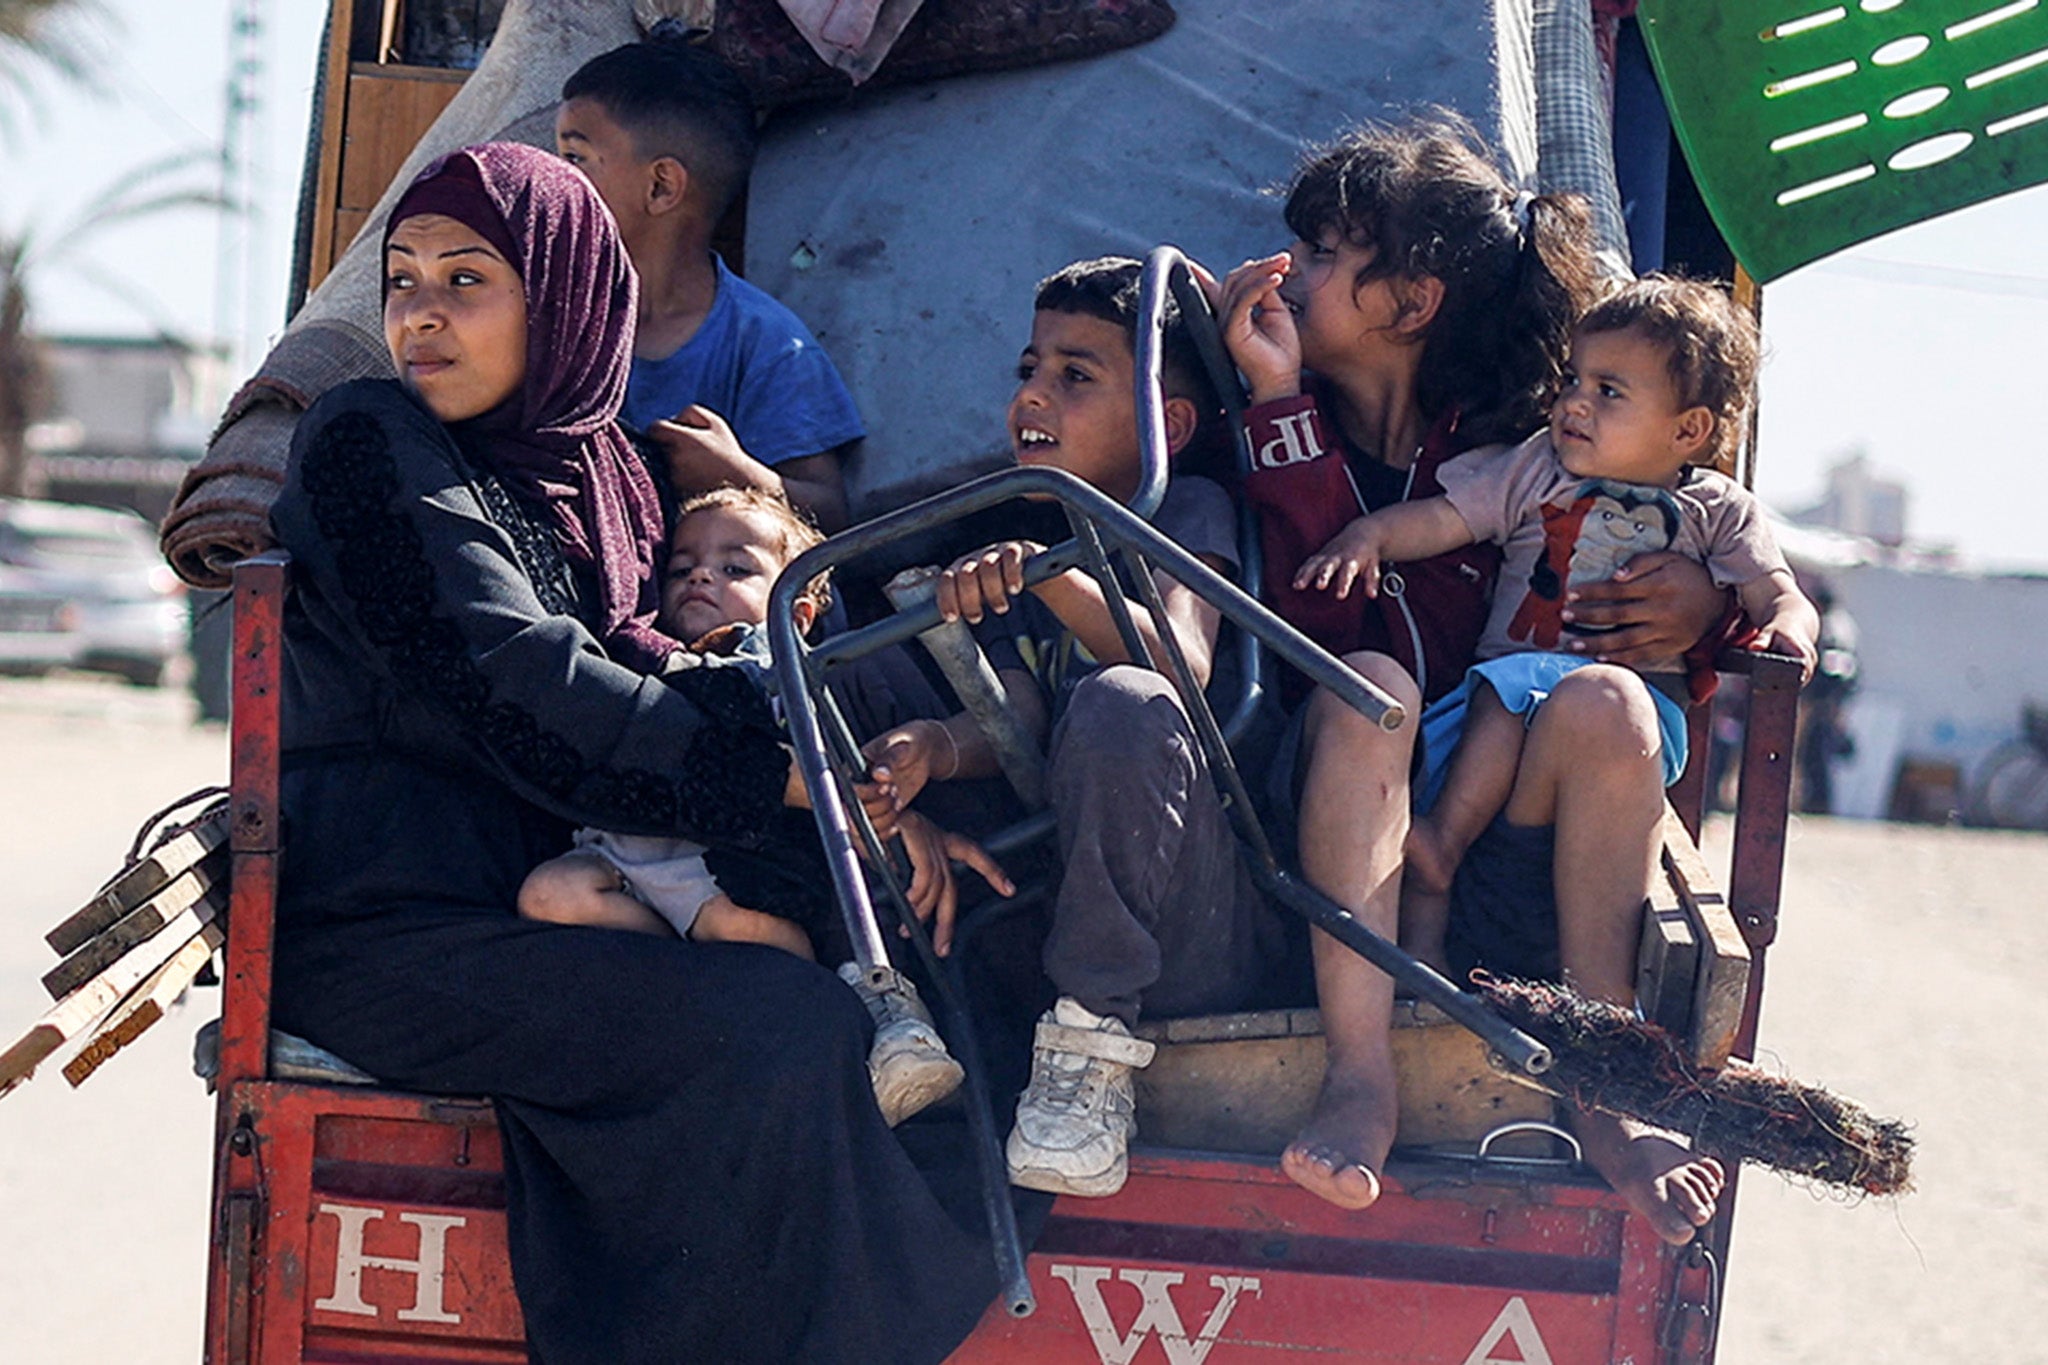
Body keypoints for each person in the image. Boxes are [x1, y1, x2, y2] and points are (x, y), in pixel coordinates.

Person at [265, 141, 1000, 1364]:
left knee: (949, 971)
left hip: (550, 894)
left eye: (465, 280)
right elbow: (525, 685)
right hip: (394, 919)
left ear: (564, 293)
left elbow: (663, 666)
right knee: (776, 1031)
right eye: (402, 280)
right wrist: (799, 782)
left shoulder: (602, 470)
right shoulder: (369, 442)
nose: (420, 315)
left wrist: (856, 793)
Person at [1215, 115, 1735, 1244]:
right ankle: (1361, 1077)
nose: (1286, 273)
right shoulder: (1249, 419)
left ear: (1410, 304)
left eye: (1319, 256)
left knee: (1600, 700)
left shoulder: (1534, 440)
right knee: (1363, 683)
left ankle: (1603, 1082)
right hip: (1339, 823)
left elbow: (1693, 558)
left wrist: (1698, 604)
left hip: (1516, 826)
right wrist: (1272, 402)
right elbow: (1317, 603)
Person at [865, 256, 1284, 1198]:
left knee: (1126, 700)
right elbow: (1020, 711)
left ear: (1168, 425)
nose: (1034, 394)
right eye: (1028, 369)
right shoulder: (1027, 532)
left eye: (1076, 375)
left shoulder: (1184, 509)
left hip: (1197, 921)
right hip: (1073, 910)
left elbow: (1184, 665)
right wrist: (937, 744)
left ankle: (1091, 1054)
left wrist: (1056, 576)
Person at [1301, 274, 1818, 970]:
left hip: (1618, 725)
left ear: (1688, 429)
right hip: (1498, 713)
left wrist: (1790, 623)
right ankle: (1433, 887)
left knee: (1549, 687)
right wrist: (1371, 536)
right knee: (1505, 687)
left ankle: (1455, 858)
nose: (1574, 401)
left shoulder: (1718, 509)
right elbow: (1444, 518)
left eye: (1609, 391)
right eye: (1573, 379)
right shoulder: (1535, 469)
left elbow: (1774, 589)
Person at [517, 485, 1003, 1124]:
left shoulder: (787, 672)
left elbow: (843, 777)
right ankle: (681, 976)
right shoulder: (638, 659)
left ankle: (845, 1025)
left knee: (742, 931)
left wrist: (899, 814)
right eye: (682, 567)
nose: (700, 577)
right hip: (629, 853)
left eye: (735, 568)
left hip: (714, 873)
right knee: (547, 896)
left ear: (800, 611)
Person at [556, 38, 862, 530]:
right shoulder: (548, 314)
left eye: (575, 158)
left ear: (661, 187)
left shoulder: (767, 343)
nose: (553, 180)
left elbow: (831, 517)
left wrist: (736, 475)